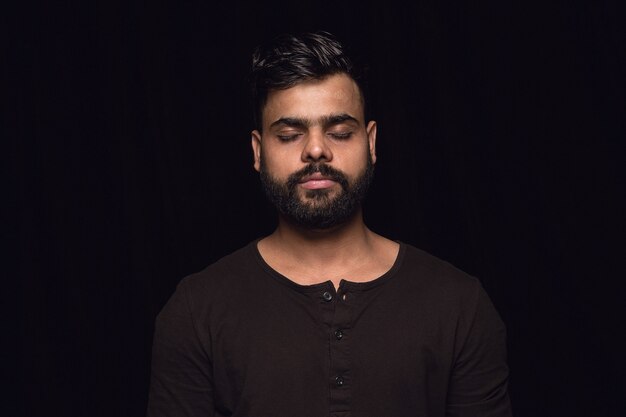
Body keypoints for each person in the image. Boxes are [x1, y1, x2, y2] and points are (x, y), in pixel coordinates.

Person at [147, 31, 512, 417]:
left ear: (371, 144)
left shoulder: (459, 304)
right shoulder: (195, 311)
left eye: (340, 132)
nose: (316, 149)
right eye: (289, 135)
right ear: (258, 152)